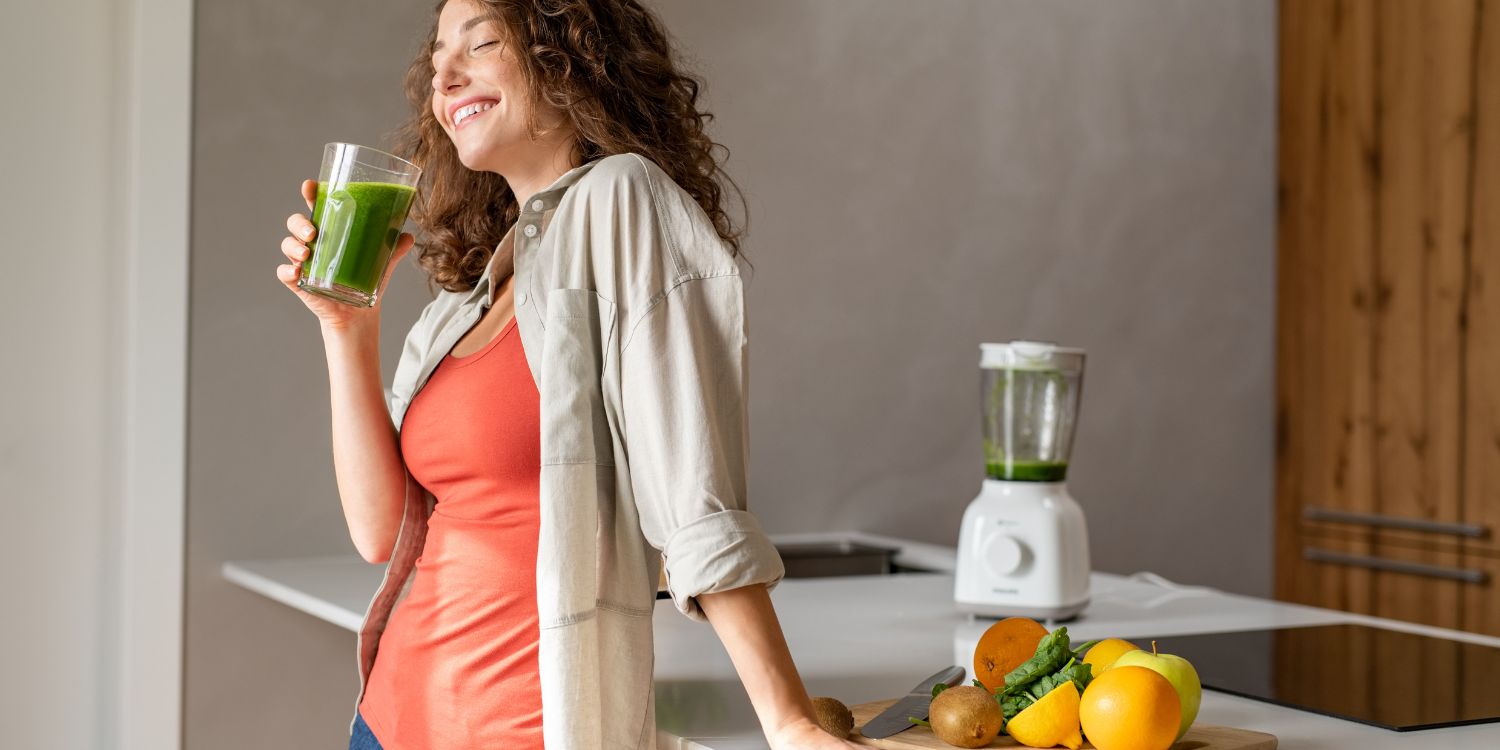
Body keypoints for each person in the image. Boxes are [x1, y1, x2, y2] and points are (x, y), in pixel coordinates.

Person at [276, 1, 865, 748]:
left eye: (480, 42)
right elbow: (381, 533)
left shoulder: (623, 201)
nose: (444, 75)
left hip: (524, 731)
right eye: (435, 63)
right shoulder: (467, 299)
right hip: (384, 722)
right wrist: (347, 328)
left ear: (569, 58)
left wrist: (788, 721)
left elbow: (695, 498)